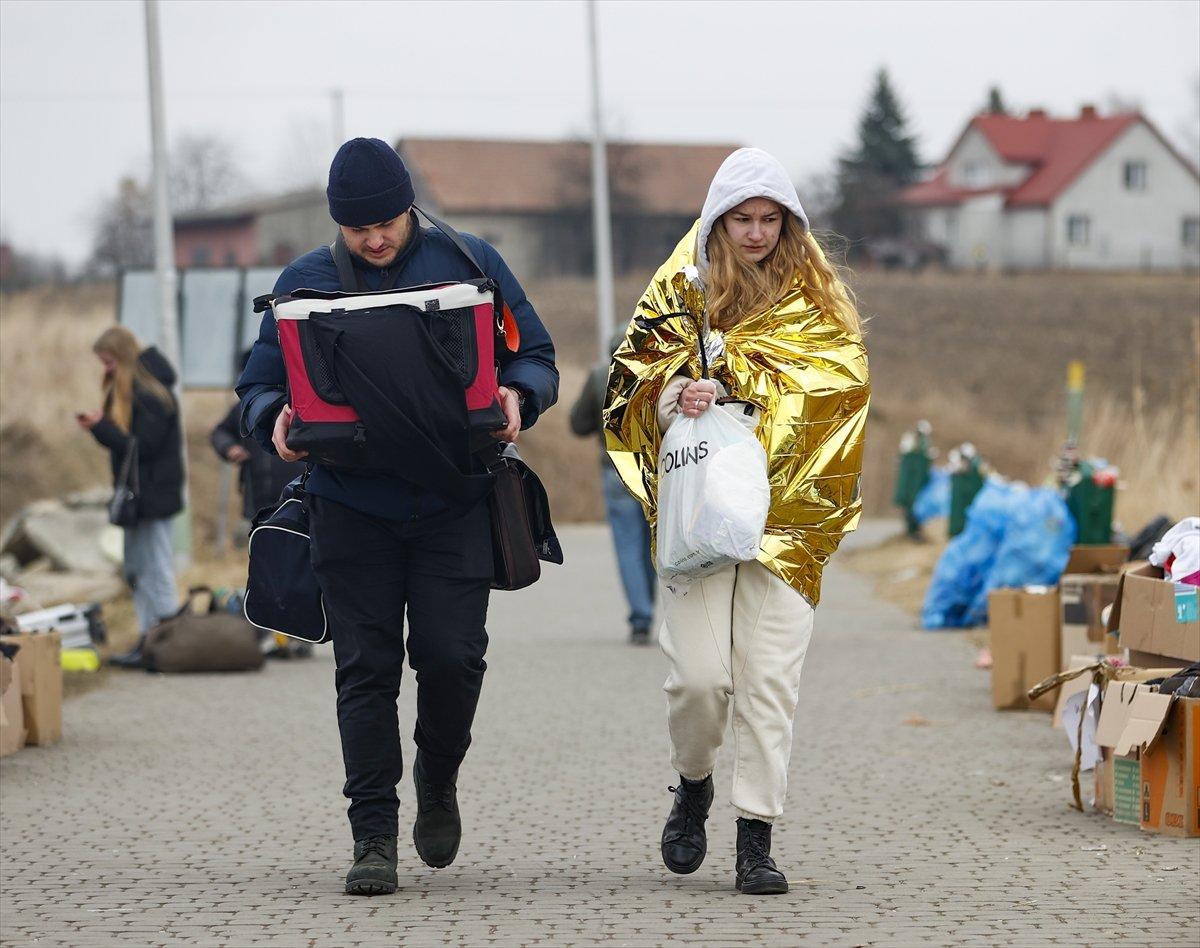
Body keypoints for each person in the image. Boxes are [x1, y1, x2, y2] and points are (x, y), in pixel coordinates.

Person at [236, 138, 558, 896]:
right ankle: (373, 834)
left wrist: (521, 396)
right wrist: (270, 417)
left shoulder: (472, 260)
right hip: (350, 504)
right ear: (335, 225)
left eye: (385, 221)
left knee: (452, 659)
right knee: (365, 674)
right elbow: (257, 381)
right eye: (357, 229)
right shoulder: (304, 280)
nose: (374, 238)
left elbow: (535, 353)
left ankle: (437, 778)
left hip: (453, 501)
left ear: (408, 204)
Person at [604, 148, 870, 895]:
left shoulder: (818, 303)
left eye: (769, 219)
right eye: (741, 219)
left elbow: (838, 388)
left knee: (770, 682)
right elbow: (631, 381)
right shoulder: (680, 288)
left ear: (790, 223)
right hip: (702, 512)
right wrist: (677, 393)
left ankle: (757, 836)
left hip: (791, 514)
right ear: (717, 221)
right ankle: (693, 786)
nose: (755, 233)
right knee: (698, 682)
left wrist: (742, 378)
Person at [78, 326, 184, 668]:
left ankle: (166, 642)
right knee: (139, 569)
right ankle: (147, 639)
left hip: (152, 495)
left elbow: (142, 447)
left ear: (122, 357)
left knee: (156, 568)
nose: (105, 369)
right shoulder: (137, 389)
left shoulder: (149, 392)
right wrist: (104, 426)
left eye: (108, 362)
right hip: (143, 496)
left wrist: (101, 429)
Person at [569, 332, 656, 645]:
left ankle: (641, 616)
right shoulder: (655, 371)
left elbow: (577, 425)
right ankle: (654, 606)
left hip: (615, 472)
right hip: (653, 473)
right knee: (655, 544)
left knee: (628, 546)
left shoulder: (598, 375)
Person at [210, 350, 305, 526]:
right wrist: (230, 447)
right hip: (257, 496)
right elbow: (220, 432)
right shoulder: (245, 409)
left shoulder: (301, 407)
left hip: (297, 496)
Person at [894, 420, 934, 539]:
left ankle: (914, 531)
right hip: (910, 487)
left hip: (914, 487)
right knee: (909, 509)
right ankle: (911, 532)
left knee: (913, 508)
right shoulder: (911, 444)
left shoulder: (920, 445)